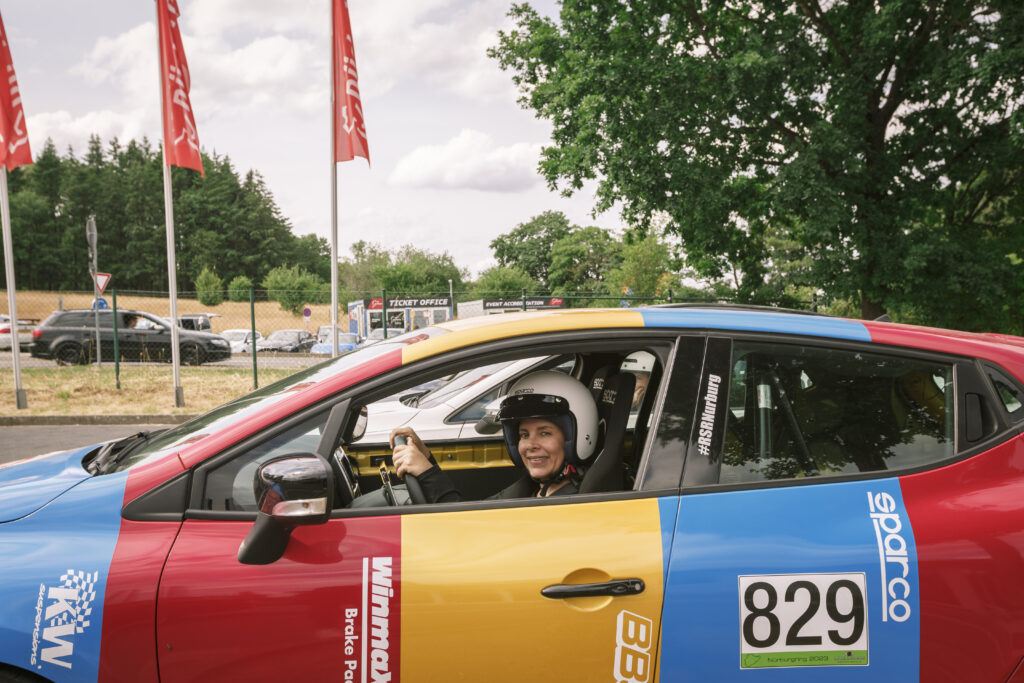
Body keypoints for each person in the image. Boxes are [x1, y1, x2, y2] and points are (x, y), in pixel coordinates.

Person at [390, 370, 599, 502]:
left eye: (544, 433)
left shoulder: (569, 505)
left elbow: (469, 530)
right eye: (523, 435)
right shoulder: (537, 488)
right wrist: (427, 459)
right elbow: (477, 512)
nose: (530, 445)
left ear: (574, 437)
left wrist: (428, 474)